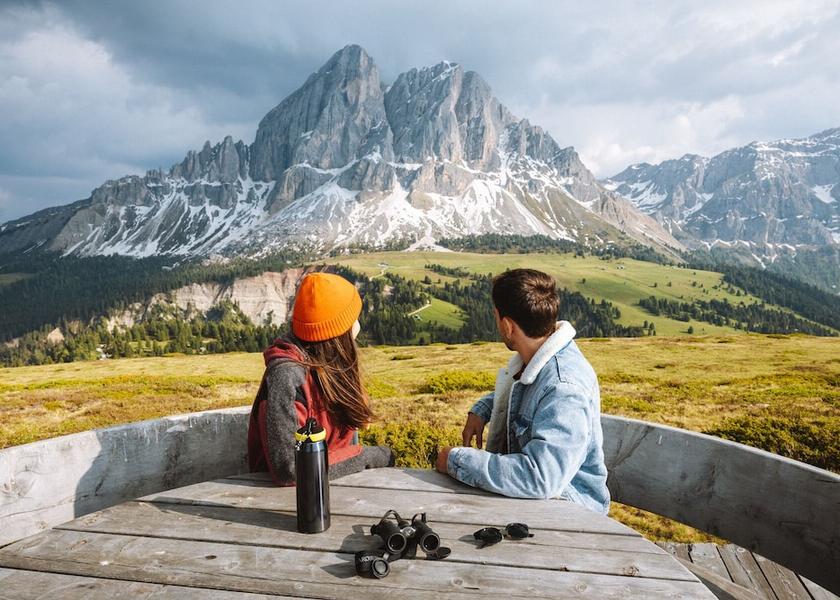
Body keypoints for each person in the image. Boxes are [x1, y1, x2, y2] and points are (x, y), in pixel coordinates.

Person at [435, 268, 610, 514]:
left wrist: (456, 460)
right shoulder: (538, 360)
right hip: (541, 502)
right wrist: (483, 409)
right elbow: (528, 394)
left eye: (495, 315)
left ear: (507, 326)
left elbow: (541, 478)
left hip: (571, 512)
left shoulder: (564, 387)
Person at [248, 272, 393, 485]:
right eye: (354, 318)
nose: (358, 325)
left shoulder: (330, 369)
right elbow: (291, 468)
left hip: (326, 490)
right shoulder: (286, 376)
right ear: (339, 332)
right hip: (284, 503)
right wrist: (367, 456)